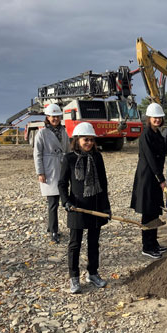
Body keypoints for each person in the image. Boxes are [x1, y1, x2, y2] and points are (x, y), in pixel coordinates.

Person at [58, 122, 111, 294]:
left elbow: (103, 183)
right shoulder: (69, 159)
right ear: (77, 140)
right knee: (74, 244)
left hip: (95, 207)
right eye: (85, 140)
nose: (88, 143)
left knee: (93, 243)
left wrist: (106, 207)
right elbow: (62, 183)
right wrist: (66, 202)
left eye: (91, 140)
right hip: (77, 208)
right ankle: (74, 277)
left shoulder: (97, 157)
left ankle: (93, 273)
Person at [130, 103, 167, 259]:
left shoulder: (157, 133)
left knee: (155, 211)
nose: (157, 120)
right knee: (148, 212)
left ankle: (154, 243)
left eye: (159, 117)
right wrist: (161, 178)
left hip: (155, 177)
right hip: (147, 177)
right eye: (154, 117)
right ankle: (147, 246)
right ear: (149, 118)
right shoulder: (146, 134)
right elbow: (151, 159)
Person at [33, 104, 70, 244]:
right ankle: (54, 230)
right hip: (49, 169)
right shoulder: (42, 133)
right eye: (52, 116)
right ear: (47, 117)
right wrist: (40, 172)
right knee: (53, 202)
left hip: (62, 168)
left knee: (65, 198)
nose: (55, 118)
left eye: (57, 116)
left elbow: (67, 150)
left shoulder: (64, 131)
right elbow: (37, 154)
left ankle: (54, 227)